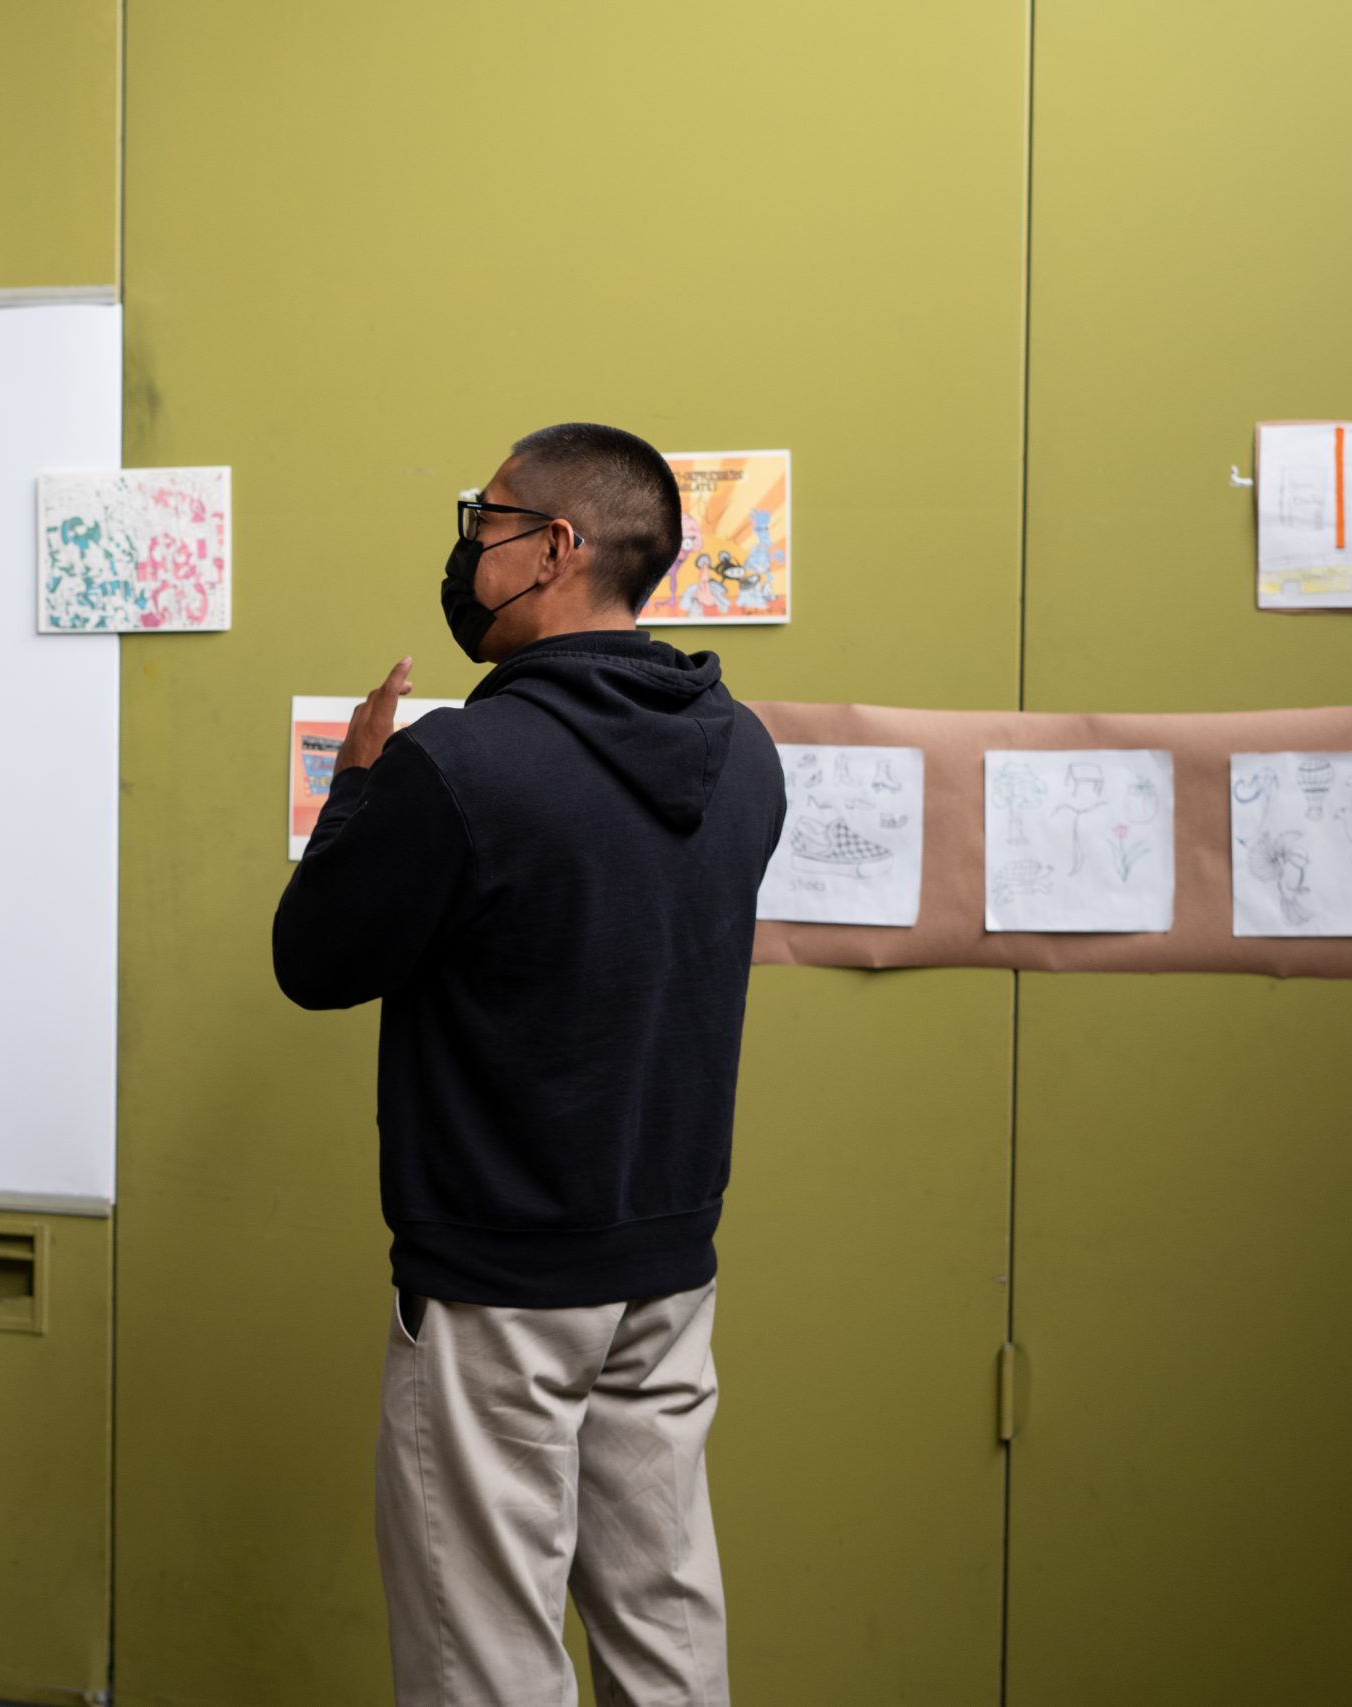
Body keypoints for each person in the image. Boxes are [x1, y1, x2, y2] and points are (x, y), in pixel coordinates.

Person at [272, 423, 786, 1706]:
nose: (465, 548)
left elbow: (316, 960)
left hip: (497, 1282)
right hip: (667, 1271)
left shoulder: (460, 764)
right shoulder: (745, 753)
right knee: (666, 1624)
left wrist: (356, 791)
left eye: (484, 521)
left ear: (554, 548)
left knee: (483, 1655)